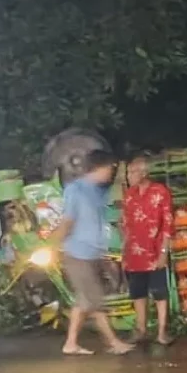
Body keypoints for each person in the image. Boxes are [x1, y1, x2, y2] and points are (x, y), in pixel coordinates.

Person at [53, 149, 135, 356]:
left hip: (92, 253)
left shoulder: (98, 193)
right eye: (110, 168)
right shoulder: (76, 190)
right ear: (98, 167)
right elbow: (68, 221)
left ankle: (71, 343)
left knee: (84, 301)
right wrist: (53, 244)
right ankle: (113, 342)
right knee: (95, 301)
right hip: (77, 254)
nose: (111, 172)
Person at [121, 155, 175, 346]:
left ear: (144, 173)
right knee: (138, 293)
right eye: (128, 172)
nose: (129, 176)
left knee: (160, 292)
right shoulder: (129, 195)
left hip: (154, 251)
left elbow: (168, 224)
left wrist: (164, 252)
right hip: (134, 253)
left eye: (132, 172)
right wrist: (124, 253)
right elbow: (126, 225)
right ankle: (141, 329)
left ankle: (161, 331)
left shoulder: (160, 192)